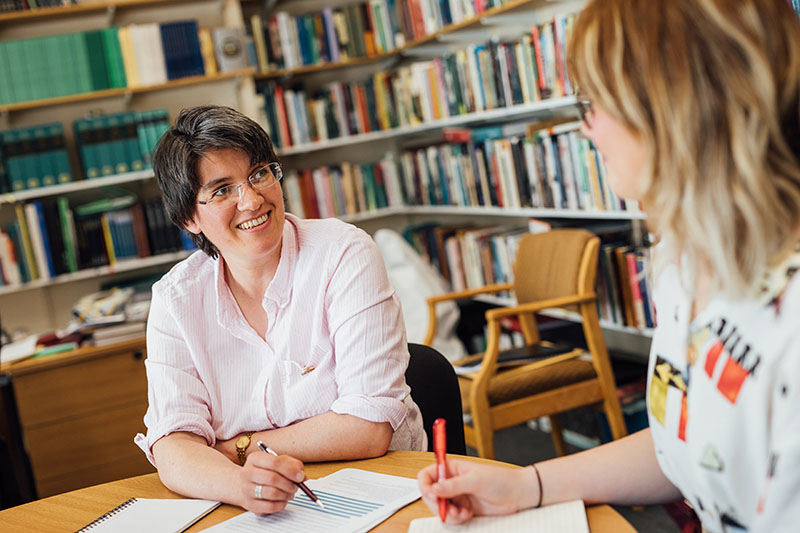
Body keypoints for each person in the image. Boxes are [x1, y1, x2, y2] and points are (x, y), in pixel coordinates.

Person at [417, 0, 800, 530]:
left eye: (593, 104)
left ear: (673, 107)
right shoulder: (682, 264)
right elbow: (682, 447)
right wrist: (526, 485)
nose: (588, 130)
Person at [134, 105, 426, 514]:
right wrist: (243, 485)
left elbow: (369, 426)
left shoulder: (343, 254)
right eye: (221, 190)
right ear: (188, 220)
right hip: (259, 509)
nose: (252, 200)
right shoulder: (175, 299)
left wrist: (234, 448)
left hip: (379, 487)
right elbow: (172, 445)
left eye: (259, 174)